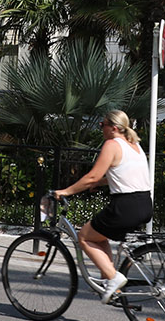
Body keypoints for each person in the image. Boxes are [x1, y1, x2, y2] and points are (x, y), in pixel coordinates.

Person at [53, 109, 153, 303]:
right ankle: (111, 282)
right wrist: (100, 183)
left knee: (83, 236)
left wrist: (65, 191)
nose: (101, 129)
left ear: (113, 128)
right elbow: (124, 174)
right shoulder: (135, 146)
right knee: (99, 236)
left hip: (125, 206)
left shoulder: (112, 144)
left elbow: (92, 175)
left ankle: (114, 278)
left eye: (102, 125)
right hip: (144, 203)